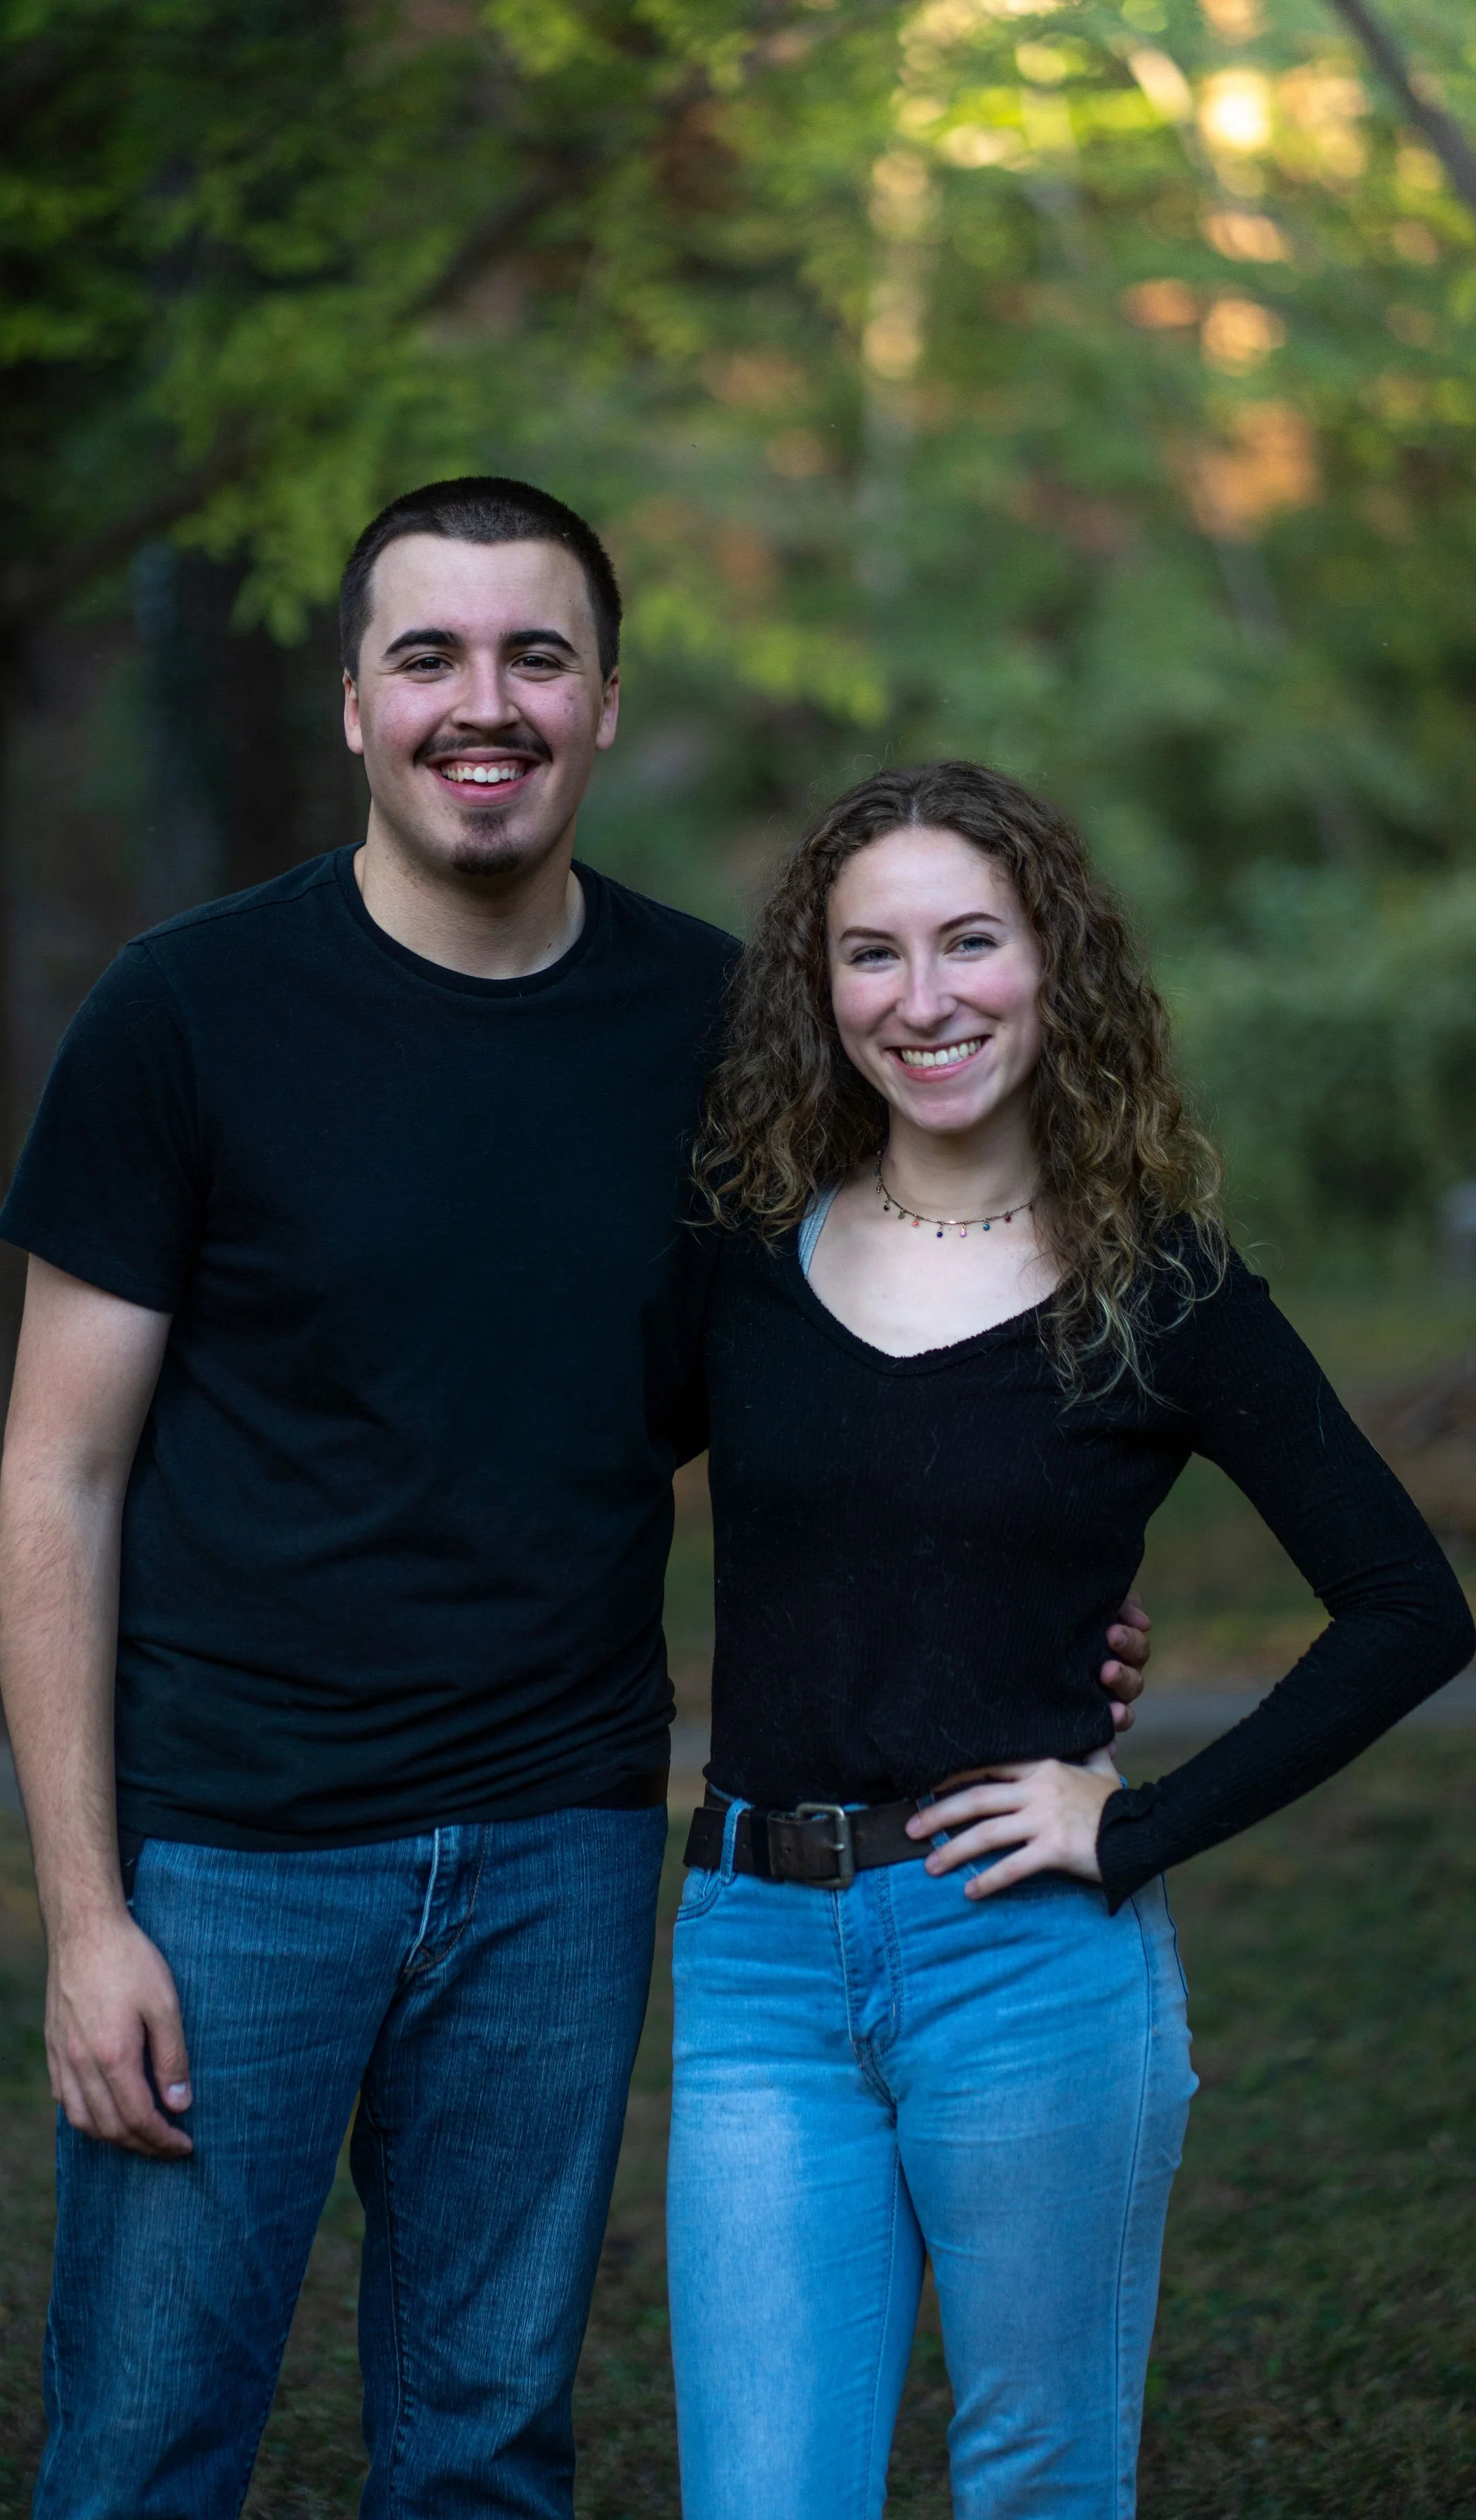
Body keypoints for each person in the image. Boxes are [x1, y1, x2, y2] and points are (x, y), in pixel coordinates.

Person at [0, 484, 1149, 2519]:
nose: (484, 701)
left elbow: (852, 1379)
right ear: (353, 703)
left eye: (537, 655)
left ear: (605, 702)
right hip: (234, 1855)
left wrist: (1035, 1601)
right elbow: (59, 1476)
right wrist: (88, 1918)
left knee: (487, 2456)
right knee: (146, 2449)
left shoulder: (724, 1037)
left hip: (562, 1844)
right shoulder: (184, 1017)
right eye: (428, 655)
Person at [667, 760, 1474, 2520]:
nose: (924, 998)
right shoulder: (739, 1262)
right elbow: (550, 1492)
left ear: (1058, 965)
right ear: (824, 993)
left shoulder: (1159, 1287)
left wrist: (1136, 1822)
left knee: (1037, 2482)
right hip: (755, 1967)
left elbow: (1411, 1610)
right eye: (870, 956)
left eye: (972, 941)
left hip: (1022, 1965)